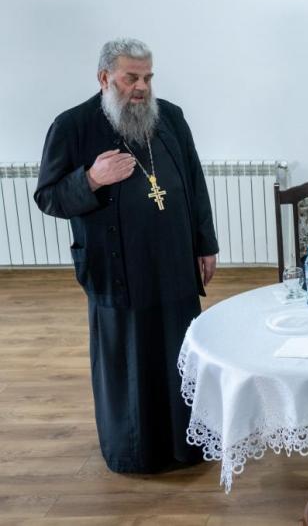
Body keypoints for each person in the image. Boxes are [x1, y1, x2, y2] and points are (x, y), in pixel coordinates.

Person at [34, 38, 219, 474]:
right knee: (131, 361)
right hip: (118, 269)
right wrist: (91, 179)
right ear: (104, 78)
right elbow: (48, 196)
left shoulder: (170, 117)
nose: (142, 87)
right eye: (131, 78)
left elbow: (194, 182)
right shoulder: (73, 125)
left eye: (148, 77)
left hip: (173, 264)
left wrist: (205, 243)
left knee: (179, 352)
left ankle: (187, 445)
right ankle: (135, 452)